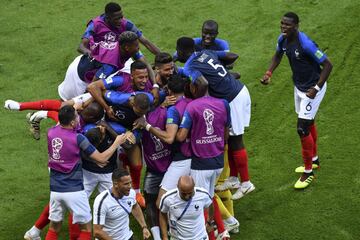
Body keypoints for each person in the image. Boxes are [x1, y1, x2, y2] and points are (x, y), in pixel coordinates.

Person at [176, 37, 255, 200]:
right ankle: (233, 179)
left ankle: (246, 183)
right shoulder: (205, 53)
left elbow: (202, 83)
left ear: (182, 51)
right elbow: (232, 55)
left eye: (178, 52)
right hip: (239, 91)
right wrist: (221, 73)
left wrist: (200, 102)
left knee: (237, 140)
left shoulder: (191, 65)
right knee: (232, 139)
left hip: (232, 98)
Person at [260, 12, 333, 189]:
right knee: (308, 122)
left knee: (302, 128)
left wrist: (316, 88)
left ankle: (308, 172)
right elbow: (278, 55)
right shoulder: (283, 39)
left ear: (296, 26)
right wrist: (269, 73)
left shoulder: (306, 44)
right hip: (299, 87)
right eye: (282, 24)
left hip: (312, 89)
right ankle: (314, 159)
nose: (283, 27)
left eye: (287, 25)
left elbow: (328, 65)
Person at [44, 105, 129, 239]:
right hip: (74, 190)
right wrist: (116, 143)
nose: (79, 118)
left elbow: (62, 122)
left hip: (55, 190)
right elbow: (101, 158)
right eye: (76, 116)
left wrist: (72, 108)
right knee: (86, 228)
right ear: (72, 122)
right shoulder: (78, 139)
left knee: (54, 227)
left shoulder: (51, 132)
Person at [176, 77, 231, 240]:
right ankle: (222, 231)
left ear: (194, 88)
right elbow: (226, 132)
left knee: (200, 203)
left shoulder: (192, 107)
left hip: (201, 163)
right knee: (209, 196)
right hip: (218, 161)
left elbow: (180, 136)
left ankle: (210, 236)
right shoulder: (223, 103)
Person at [78, 2, 160, 57]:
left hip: (117, 56)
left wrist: (163, 58)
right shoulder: (95, 25)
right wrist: (91, 55)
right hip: (96, 57)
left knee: (141, 63)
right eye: (117, 19)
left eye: (121, 17)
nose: (121, 21)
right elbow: (81, 46)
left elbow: (146, 42)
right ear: (107, 18)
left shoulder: (127, 24)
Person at [93, 168, 151, 240]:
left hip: (127, 237)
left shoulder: (131, 193)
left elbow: (135, 206)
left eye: (130, 182)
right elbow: (97, 232)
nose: (130, 186)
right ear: (116, 184)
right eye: (126, 184)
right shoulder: (102, 201)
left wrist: (144, 227)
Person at [159, 176, 213, 240]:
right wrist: (165, 237)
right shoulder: (168, 198)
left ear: (194, 187)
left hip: (200, 237)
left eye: (190, 193)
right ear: (177, 187)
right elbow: (162, 214)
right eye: (183, 194)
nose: (187, 197)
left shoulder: (203, 194)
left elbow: (210, 205)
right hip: (177, 238)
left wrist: (209, 222)